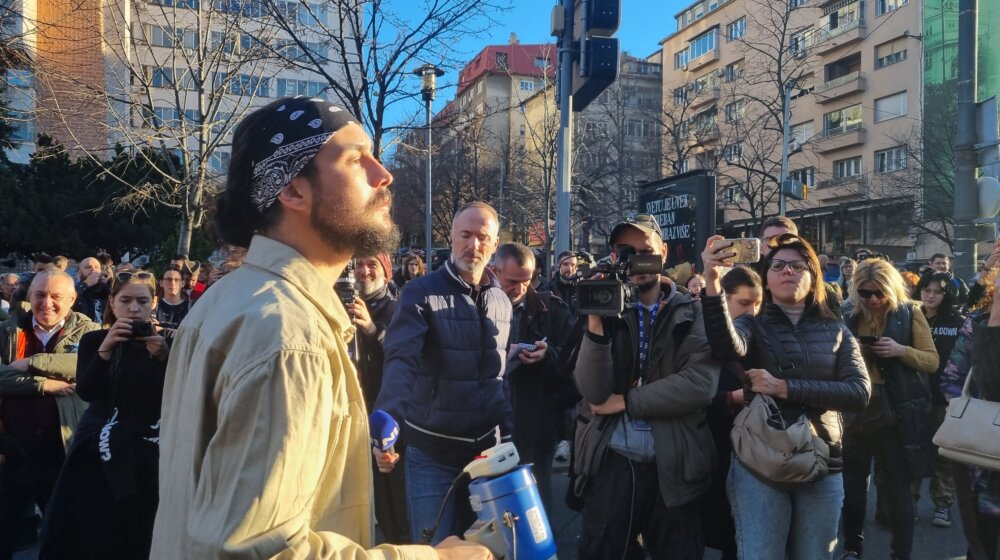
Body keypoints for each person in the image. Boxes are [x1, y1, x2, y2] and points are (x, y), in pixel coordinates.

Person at [151, 97, 484, 559]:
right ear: (293, 192)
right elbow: (260, 552)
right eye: (354, 159)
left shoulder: (229, 301)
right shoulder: (289, 336)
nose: (383, 174)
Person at [701, 233, 870, 560]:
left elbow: (859, 392)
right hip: (759, 462)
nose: (787, 272)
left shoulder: (836, 330)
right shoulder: (752, 324)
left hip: (823, 463)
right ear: (766, 276)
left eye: (797, 265)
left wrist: (785, 387)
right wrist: (712, 283)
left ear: (813, 275)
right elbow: (726, 345)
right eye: (777, 266)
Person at [573, 214, 719, 559]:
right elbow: (593, 393)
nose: (635, 260)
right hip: (612, 458)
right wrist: (595, 317)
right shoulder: (607, 310)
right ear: (612, 257)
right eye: (625, 252)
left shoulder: (693, 311)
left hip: (676, 462)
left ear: (663, 252)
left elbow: (699, 385)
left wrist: (627, 401)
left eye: (645, 250)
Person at [375, 201, 511, 545]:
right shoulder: (420, 292)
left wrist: (507, 432)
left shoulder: (501, 300)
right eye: (465, 235)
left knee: (492, 551)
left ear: (495, 244)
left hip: (489, 455)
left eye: (483, 237)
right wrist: (387, 422)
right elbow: (401, 359)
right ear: (450, 237)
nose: (474, 245)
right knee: (434, 550)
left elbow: (499, 374)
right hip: (433, 455)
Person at [40, 271, 169, 558]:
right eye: (125, 300)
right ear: (112, 302)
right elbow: (86, 391)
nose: (133, 308)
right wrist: (106, 349)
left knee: (140, 526)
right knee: (92, 526)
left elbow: (177, 395)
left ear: (154, 302)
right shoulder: (93, 339)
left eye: (141, 300)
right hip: (97, 445)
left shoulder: (170, 342)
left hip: (148, 449)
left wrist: (164, 357)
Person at [839, 258, 939, 560]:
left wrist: (899, 350)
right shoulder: (847, 313)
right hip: (857, 409)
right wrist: (854, 349)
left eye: (878, 293)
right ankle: (852, 548)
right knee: (853, 488)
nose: (872, 300)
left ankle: (901, 554)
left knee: (897, 489)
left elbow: (931, 361)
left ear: (891, 289)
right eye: (865, 293)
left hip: (897, 411)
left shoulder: (909, 313)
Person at [0, 270, 100, 558]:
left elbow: (85, 364)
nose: (47, 303)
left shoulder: (91, 333)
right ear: (29, 296)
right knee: (5, 528)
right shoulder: (8, 330)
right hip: (11, 449)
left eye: (56, 296)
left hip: (62, 451)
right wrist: (45, 384)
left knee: (62, 535)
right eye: (40, 295)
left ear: (72, 299)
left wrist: (33, 361)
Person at [491, 242, 574, 513]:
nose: (521, 289)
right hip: (490, 423)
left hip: (537, 421)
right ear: (495, 272)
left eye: (527, 281)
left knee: (535, 501)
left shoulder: (550, 308)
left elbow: (575, 355)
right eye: (513, 281)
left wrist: (547, 355)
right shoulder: (478, 304)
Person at [701, 266, 762, 560]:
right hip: (713, 452)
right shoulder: (702, 337)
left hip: (754, 456)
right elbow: (688, 398)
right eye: (745, 303)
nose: (753, 311)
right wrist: (731, 398)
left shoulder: (761, 339)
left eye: (758, 303)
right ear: (723, 300)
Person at [349, 252, 409, 544]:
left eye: (372, 264)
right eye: (359, 264)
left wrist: (373, 330)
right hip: (352, 415)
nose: (364, 271)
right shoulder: (340, 306)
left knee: (396, 497)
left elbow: (406, 359)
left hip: (389, 416)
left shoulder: (399, 309)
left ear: (386, 272)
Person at [940, 271, 1000, 560]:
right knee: (982, 547)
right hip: (983, 467)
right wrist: (980, 420)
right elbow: (952, 380)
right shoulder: (977, 324)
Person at [912, 271, 966, 528]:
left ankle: (942, 504)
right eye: (927, 290)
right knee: (912, 449)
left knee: (944, 454)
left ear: (946, 295)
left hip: (945, 399)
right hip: (911, 397)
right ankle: (908, 502)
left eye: (937, 291)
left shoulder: (957, 321)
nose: (931, 296)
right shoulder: (907, 316)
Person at [155, 266, 191, 335]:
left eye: (177, 280)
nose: (172, 283)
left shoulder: (191, 307)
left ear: (183, 283)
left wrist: (162, 330)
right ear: (161, 283)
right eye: (168, 279)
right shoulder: (154, 307)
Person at [73, 256, 111, 323]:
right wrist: (86, 284)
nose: (93, 270)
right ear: (79, 273)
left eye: (96, 267)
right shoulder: (74, 289)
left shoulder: (107, 290)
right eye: (88, 267)